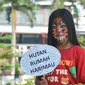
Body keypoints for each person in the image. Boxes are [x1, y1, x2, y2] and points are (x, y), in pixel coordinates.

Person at [35, 8, 85, 85]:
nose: (58, 30)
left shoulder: (79, 52)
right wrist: (39, 82)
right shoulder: (45, 53)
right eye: (54, 27)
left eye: (62, 26)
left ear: (70, 27)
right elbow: (38, 79)